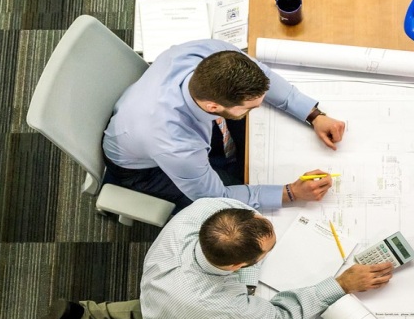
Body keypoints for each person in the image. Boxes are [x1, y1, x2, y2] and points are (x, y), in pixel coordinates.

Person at [26, 197, 394, 319]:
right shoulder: (212, 302)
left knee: (158, 313)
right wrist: (340, 284)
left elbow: (245, 217)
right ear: (237, 267)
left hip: (162, 295)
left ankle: (84, 317)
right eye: (268, 251)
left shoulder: (209, 211)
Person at [103, 39, 348, 212]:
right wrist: (291, 193)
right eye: (250, 107)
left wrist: (313, 114)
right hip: (143, 169)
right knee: (229, 192)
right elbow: (214, 196)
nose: (258, 108)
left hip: (147, 119)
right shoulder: (176, 144)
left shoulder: (211, 53)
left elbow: (264, 76)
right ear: (212, 107)